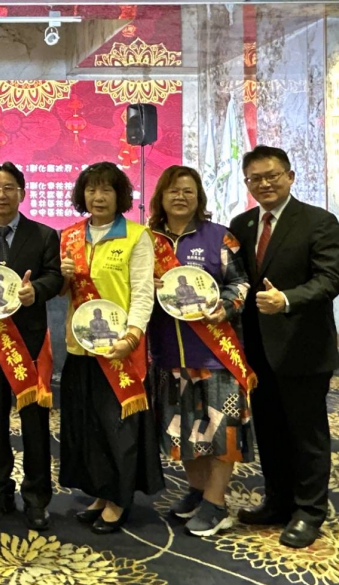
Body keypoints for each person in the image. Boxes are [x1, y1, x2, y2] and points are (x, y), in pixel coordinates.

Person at [229, 145, 339, 548]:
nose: (264, 184)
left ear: (290, 176)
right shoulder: (242, 224)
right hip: (257, 349)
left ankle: (309, 511)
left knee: (306, 433)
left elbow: (329, 280)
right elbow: (235, 280)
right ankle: (277, 501)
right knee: (270, 430)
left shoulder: (318, 221)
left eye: (272, 175)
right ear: (247, 183)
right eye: (255, 178)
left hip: (303, 348)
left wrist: (287, 300)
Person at [147, 165, 255, 537]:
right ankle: (197, 490)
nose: (180, 197)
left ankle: (216, 502)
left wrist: (225, 306)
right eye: (173, 190)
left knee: (222, 431)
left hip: (214, 355)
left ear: (199, 197)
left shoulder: (219, 237)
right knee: (182, 432)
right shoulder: (147, 241)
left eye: (188, 191)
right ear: (161, 197)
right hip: (168, 355)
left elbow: (241, 283)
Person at [58, 161, 164, 534]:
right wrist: (62, 278)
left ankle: (119, 499)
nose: (98, 196)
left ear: (120, 195)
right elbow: (62, 291)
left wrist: (132, 336)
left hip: (120, 349)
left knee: (118, 428)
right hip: (80, 348)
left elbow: (143, 293)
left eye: (106, 189)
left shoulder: (136, 236)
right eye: (91, 189)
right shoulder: (70, 236)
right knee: (89, 426)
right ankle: (101, 493)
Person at [0, 162, 63, 528]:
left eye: (8, 188)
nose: (1, 195)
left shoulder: (44, 235)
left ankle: (36, 498)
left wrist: (36, 291)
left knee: (35, 425)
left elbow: (55, 276)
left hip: (29, 346)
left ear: (22, 192)